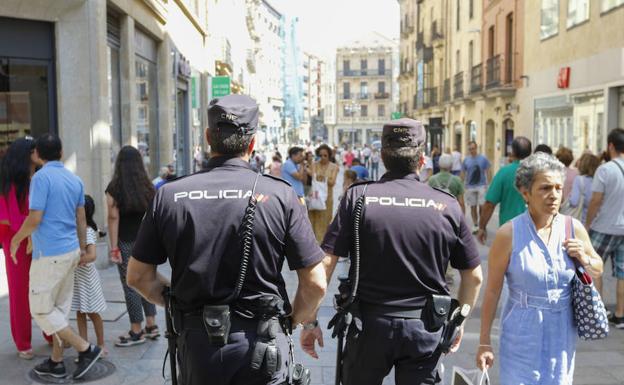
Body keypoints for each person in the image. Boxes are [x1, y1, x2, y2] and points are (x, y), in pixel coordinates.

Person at [126, 94, 327, 385]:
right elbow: (316, 283)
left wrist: (178, 301)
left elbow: (138, 277)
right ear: (253, 143)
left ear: (208, 137)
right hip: (264, 344)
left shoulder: (170, 195)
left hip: (197, 347)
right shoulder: (281, 196)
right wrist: (293, 321)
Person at [321, 118, 483, 385]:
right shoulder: (446, 205)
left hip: (368, 328)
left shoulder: (358, 197)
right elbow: (474, 276)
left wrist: (310, 319)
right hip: (424, 329)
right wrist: (458, 321)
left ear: (383, 157)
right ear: (422, 160)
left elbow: (326, 263)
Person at [476, 152, 603, 384]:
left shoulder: (573, 228)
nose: (554, 195)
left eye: (558, 187)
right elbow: (492, 291)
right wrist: (484, 342)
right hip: (521, 331)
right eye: (545, 188)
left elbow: (597, 268)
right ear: (526, 193)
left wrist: (584, 257)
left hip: (562, 331)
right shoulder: (509, 233)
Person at [10, 134, 101, 379]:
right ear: (61, 152)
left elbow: (35, 218)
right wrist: (82, 248)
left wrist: (16, 240)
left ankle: (86, 349)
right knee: (58, 311)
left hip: (49, 255)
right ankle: (56, 362)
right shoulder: (74, 179)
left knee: (39, 309)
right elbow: (81, 218)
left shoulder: (40, 178)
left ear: (38, 154)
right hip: (71, 251)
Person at [0, 137, 52, 359]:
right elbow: (11, 219)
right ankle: (23, 343)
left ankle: (52, 334)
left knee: (45, 289)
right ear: (26, 155)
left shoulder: (39, 178)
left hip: (38, 240)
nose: (38, 153)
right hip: (16, 243)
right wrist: (35, 225)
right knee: (20, 293)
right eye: (34, 150)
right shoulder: (9, 184)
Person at [106, 146, 159, 347]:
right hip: (146, 242)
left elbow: (112, 218)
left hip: (126, 243)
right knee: (147, 282)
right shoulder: (148, 186)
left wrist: (113, 248)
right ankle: (152, 325)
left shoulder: (114, 188)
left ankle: (136, 330)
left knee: (131, 286)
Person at [585, 128, 624, 328]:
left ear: (610, 146)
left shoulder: (605, 169)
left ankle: (597, 312)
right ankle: (620, 314)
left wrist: (587, 223)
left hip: (604, 227)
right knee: (623, 273)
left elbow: (595, 200)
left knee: (594, 268)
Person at [477, 137, 532, 245]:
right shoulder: (538, 172)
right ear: (530, 152)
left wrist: (482, 227)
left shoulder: (504, 172)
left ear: (513, 152)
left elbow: (489, 204)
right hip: (535, 230)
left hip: (510, 230)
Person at [72, 195, 107, 357]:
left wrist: (73, 262)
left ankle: (101, 344)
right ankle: (83, 346)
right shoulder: (74, 229)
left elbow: (92, 256)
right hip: (77, 280)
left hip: (87, 279)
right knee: (80, 312)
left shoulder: (88, 231)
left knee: (93, 312)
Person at [308, 144, 339, 242]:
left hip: (327, 199)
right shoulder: (314, 165)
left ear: (329, 155)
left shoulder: (334, 167)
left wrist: (322, 177)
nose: (322, 158)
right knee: (313, 220)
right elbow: (312, 177)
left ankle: (323, 244)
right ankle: (313, 244)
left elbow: (332, 182)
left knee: (325, 222)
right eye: (320, 155)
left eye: (325, 155)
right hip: (314, 197)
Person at [461, 141, 491, 233]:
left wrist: (489, 184)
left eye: (473, 148)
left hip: (481, 186)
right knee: (473, 206)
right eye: (470, 149)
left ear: (476, 148)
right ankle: (475, 224)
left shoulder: (483, 159)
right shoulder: (466, 160)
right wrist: (461, 185)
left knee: (482, 206)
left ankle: (482, 224)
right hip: (470, 186)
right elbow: (463, 173)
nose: (472, 150)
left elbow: (488, 171)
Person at [567, 153, 600, 223]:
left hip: (583, 222)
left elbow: (574, 202)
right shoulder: (600, 180)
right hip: (599, 223)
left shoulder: (579, 179)